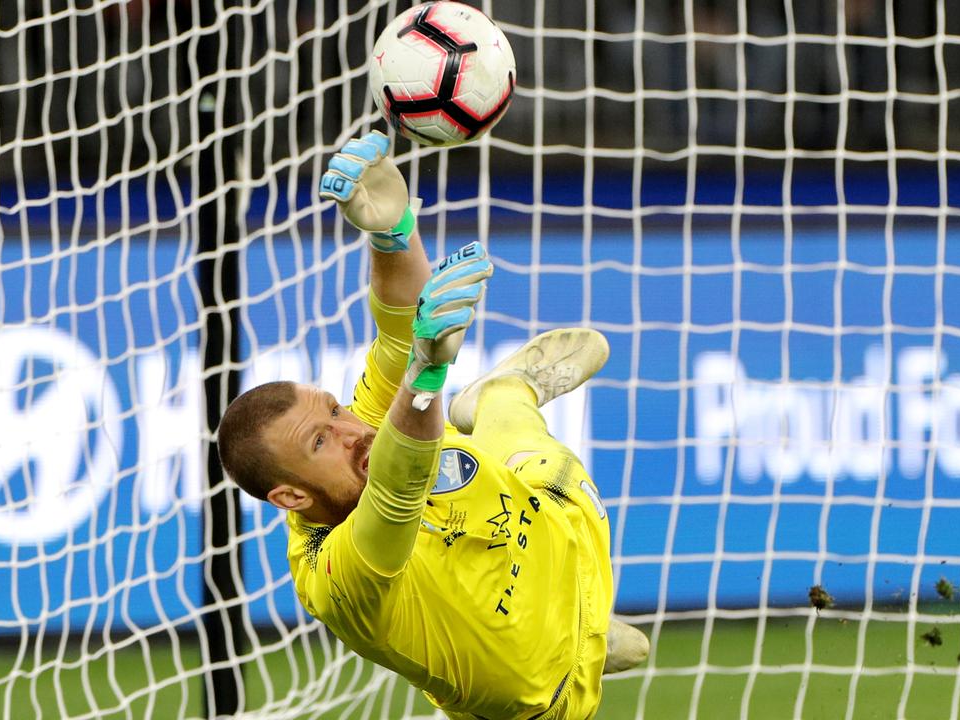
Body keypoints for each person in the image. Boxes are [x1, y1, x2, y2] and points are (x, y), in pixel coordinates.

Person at [217, 131, 647, 720]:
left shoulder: (358, 430)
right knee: (426, 443)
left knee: (536, 449)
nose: (350, 429)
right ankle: (585, 629)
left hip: (560, 519)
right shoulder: (334, 578)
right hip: (532, 704)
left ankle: (504, 394)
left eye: (335, 410)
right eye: (320, 441)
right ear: (290, 495)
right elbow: (395, 490)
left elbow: (399, 327)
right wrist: (426, 372)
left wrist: (393, 234)